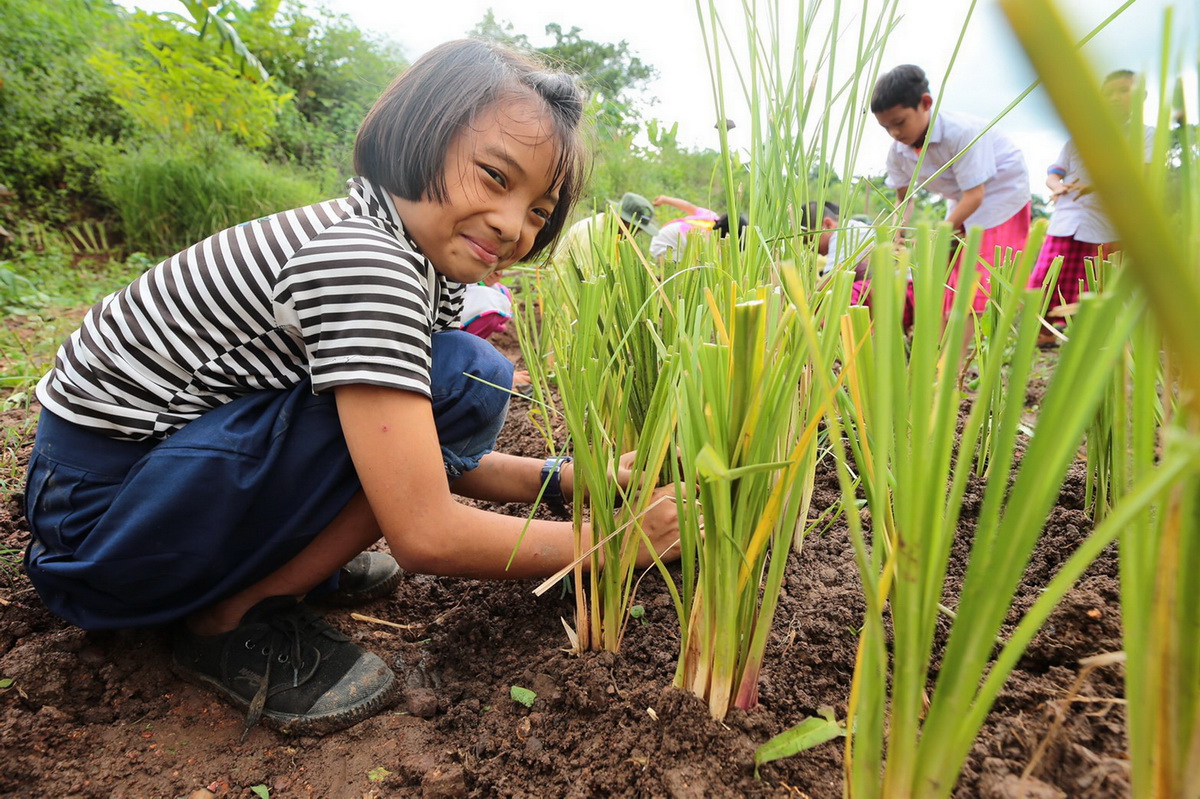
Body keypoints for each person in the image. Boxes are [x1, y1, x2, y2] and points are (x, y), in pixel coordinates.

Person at [22, 40, 681, 738]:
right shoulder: (365, 260)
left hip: (140, 492)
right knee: (468, 375)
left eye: (540, 211)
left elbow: (415, 448)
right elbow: (424, 530)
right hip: (98, 526)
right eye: (494, 176)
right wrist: (616, 545)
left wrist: (569, 480)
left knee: (456, 375)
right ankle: (230, 617)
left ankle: (276, 562)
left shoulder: (418, 260)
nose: (513, 225)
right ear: (418, 134)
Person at [871, 65, 1031, 316]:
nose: (895, 133)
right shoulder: (898, 153)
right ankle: (942, 342)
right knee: (946, 269)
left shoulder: (960, 132)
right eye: (886, 127)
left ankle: (960, 347)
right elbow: (904, 199)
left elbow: (976, 195)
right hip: (962, 195)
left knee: (980, 270)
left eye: (900, 122)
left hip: (1000, 190)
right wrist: (897, 230)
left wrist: (936, 233)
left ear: (925, 103)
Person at [1027, 69, 1154, 323]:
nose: (1115, 97)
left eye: (1123, 90)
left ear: (1142, 96)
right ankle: (1043, 332)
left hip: (1111, 225)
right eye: (1109, 93)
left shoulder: (1147, 135)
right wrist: (1057, 187)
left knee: (1097, 282)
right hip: (1068, 219)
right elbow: (1054, 173)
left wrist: (1094, 186)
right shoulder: (1079, 139)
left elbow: (1141, 175)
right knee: (1050, 278)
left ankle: (1088, 332)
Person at [800, 200, 914, 328]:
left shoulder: (842, 233)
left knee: (832, 302)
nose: (812, 249)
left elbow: (829, 284)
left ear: (827, 224)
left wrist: (801, 305)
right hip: (896, 291)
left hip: (901, 291)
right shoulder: (853, 227)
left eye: (811, 240)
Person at [555, 191, 659, 272]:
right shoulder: (592, 233)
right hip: (568, 292)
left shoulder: (617, 234)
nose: (635, 234)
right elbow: (589, 275)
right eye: (635, 229)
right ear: (623, 221)